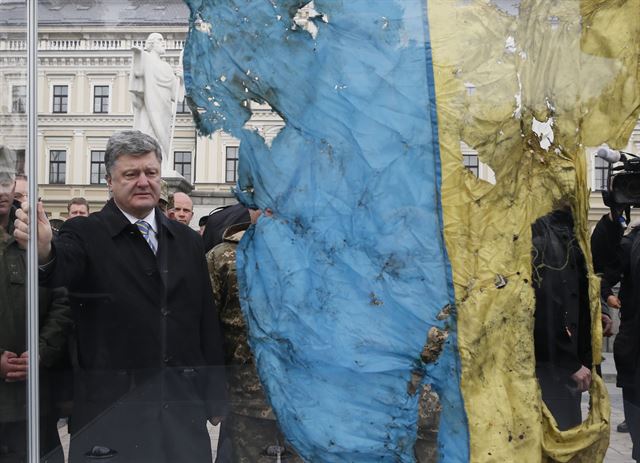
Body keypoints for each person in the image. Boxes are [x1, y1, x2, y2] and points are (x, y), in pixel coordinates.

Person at [14, 130, 225, 463]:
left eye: (151, 173)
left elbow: (205, 321)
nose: (143, 182)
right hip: (112, 413)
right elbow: (62, 265)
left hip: (180, 411)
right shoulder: (85, 232)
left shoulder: (187, 241)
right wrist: (44, 251)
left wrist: (215, 396)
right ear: (109, 181)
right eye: (131, 174)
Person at [207, 208, 301, 462]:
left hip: (306, 407)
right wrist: (213, 396)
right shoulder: (224, 257)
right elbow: (205, 330)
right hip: (246, 405)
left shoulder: (317, 256)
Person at [0, 154, 72, 462]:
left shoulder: (40, 239)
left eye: (5, 181)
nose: (1, 191)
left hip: (34, 403)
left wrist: (41, 350)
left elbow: (63, 300)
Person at [531, 206, 592, 431]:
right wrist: (569, 362)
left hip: (562, 366)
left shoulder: (567, 230)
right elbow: (544, 301)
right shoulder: (542, 232)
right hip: (551, 370)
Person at [130, 33, 183, 167]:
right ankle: (146, 163)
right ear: (151, 44)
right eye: (160, 40)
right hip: (148, 107)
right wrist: (138, 55)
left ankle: (161, 163)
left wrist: (181, 79)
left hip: (164, 109)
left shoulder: (167, 67)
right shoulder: (145, 60)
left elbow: (176, 95)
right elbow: (137, 75)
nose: (163, 43)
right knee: (147, 134)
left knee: (163, 138)